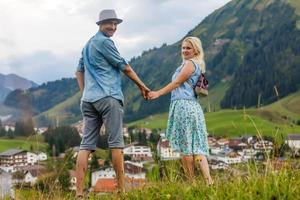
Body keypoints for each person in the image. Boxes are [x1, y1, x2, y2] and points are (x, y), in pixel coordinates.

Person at [75, 9, 150, 198]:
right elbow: (124, 66)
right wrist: (143, 87)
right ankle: (121, 190)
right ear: (100, 24)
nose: (113, 27)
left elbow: (78, 71)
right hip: (108, 97)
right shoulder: (105, 42)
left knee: (86, 146)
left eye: (116, 24)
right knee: (116, 144)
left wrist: (85, 92)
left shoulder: (87, 44)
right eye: (109, 23)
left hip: (88, 101)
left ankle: (79, 193)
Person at [148, 36, 213, 185]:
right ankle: (209, 183)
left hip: (183, 107)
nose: (184, 50)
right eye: (183, 48)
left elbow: (177, 82)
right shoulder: (198, 65)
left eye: (188, 48)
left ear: (195, 50)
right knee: (198, 146)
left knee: (186, 149)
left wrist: (158, 93)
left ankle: (191, 183)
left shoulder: (189, 64)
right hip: (194, 107)